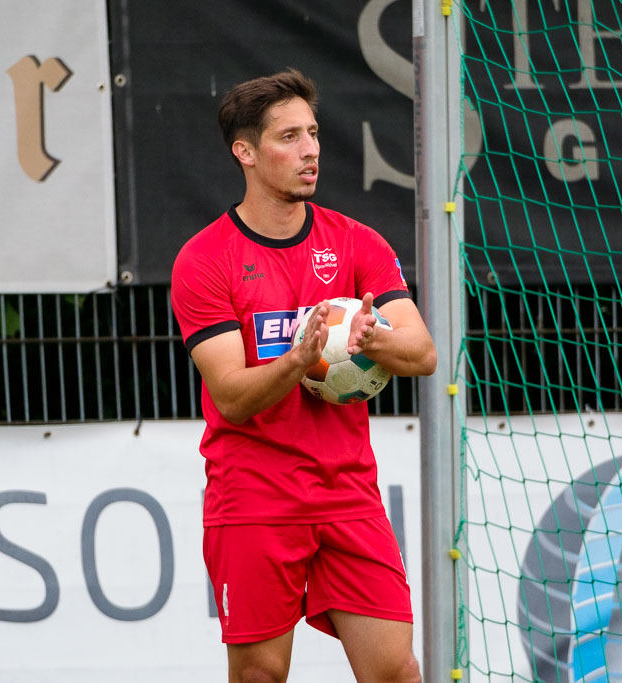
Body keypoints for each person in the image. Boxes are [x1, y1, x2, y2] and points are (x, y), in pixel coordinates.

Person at [170, 68, 436, 683]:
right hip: (255, 494)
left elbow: (421, 353)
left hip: (348, 493)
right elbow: (232, 399)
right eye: (289, 137)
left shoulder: (356, 244)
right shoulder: (204, 260)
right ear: (246, 152)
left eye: (312, 133)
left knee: (396, 671)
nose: (311, 149)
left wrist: (370, 339)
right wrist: (297, 359)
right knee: (261, 674)